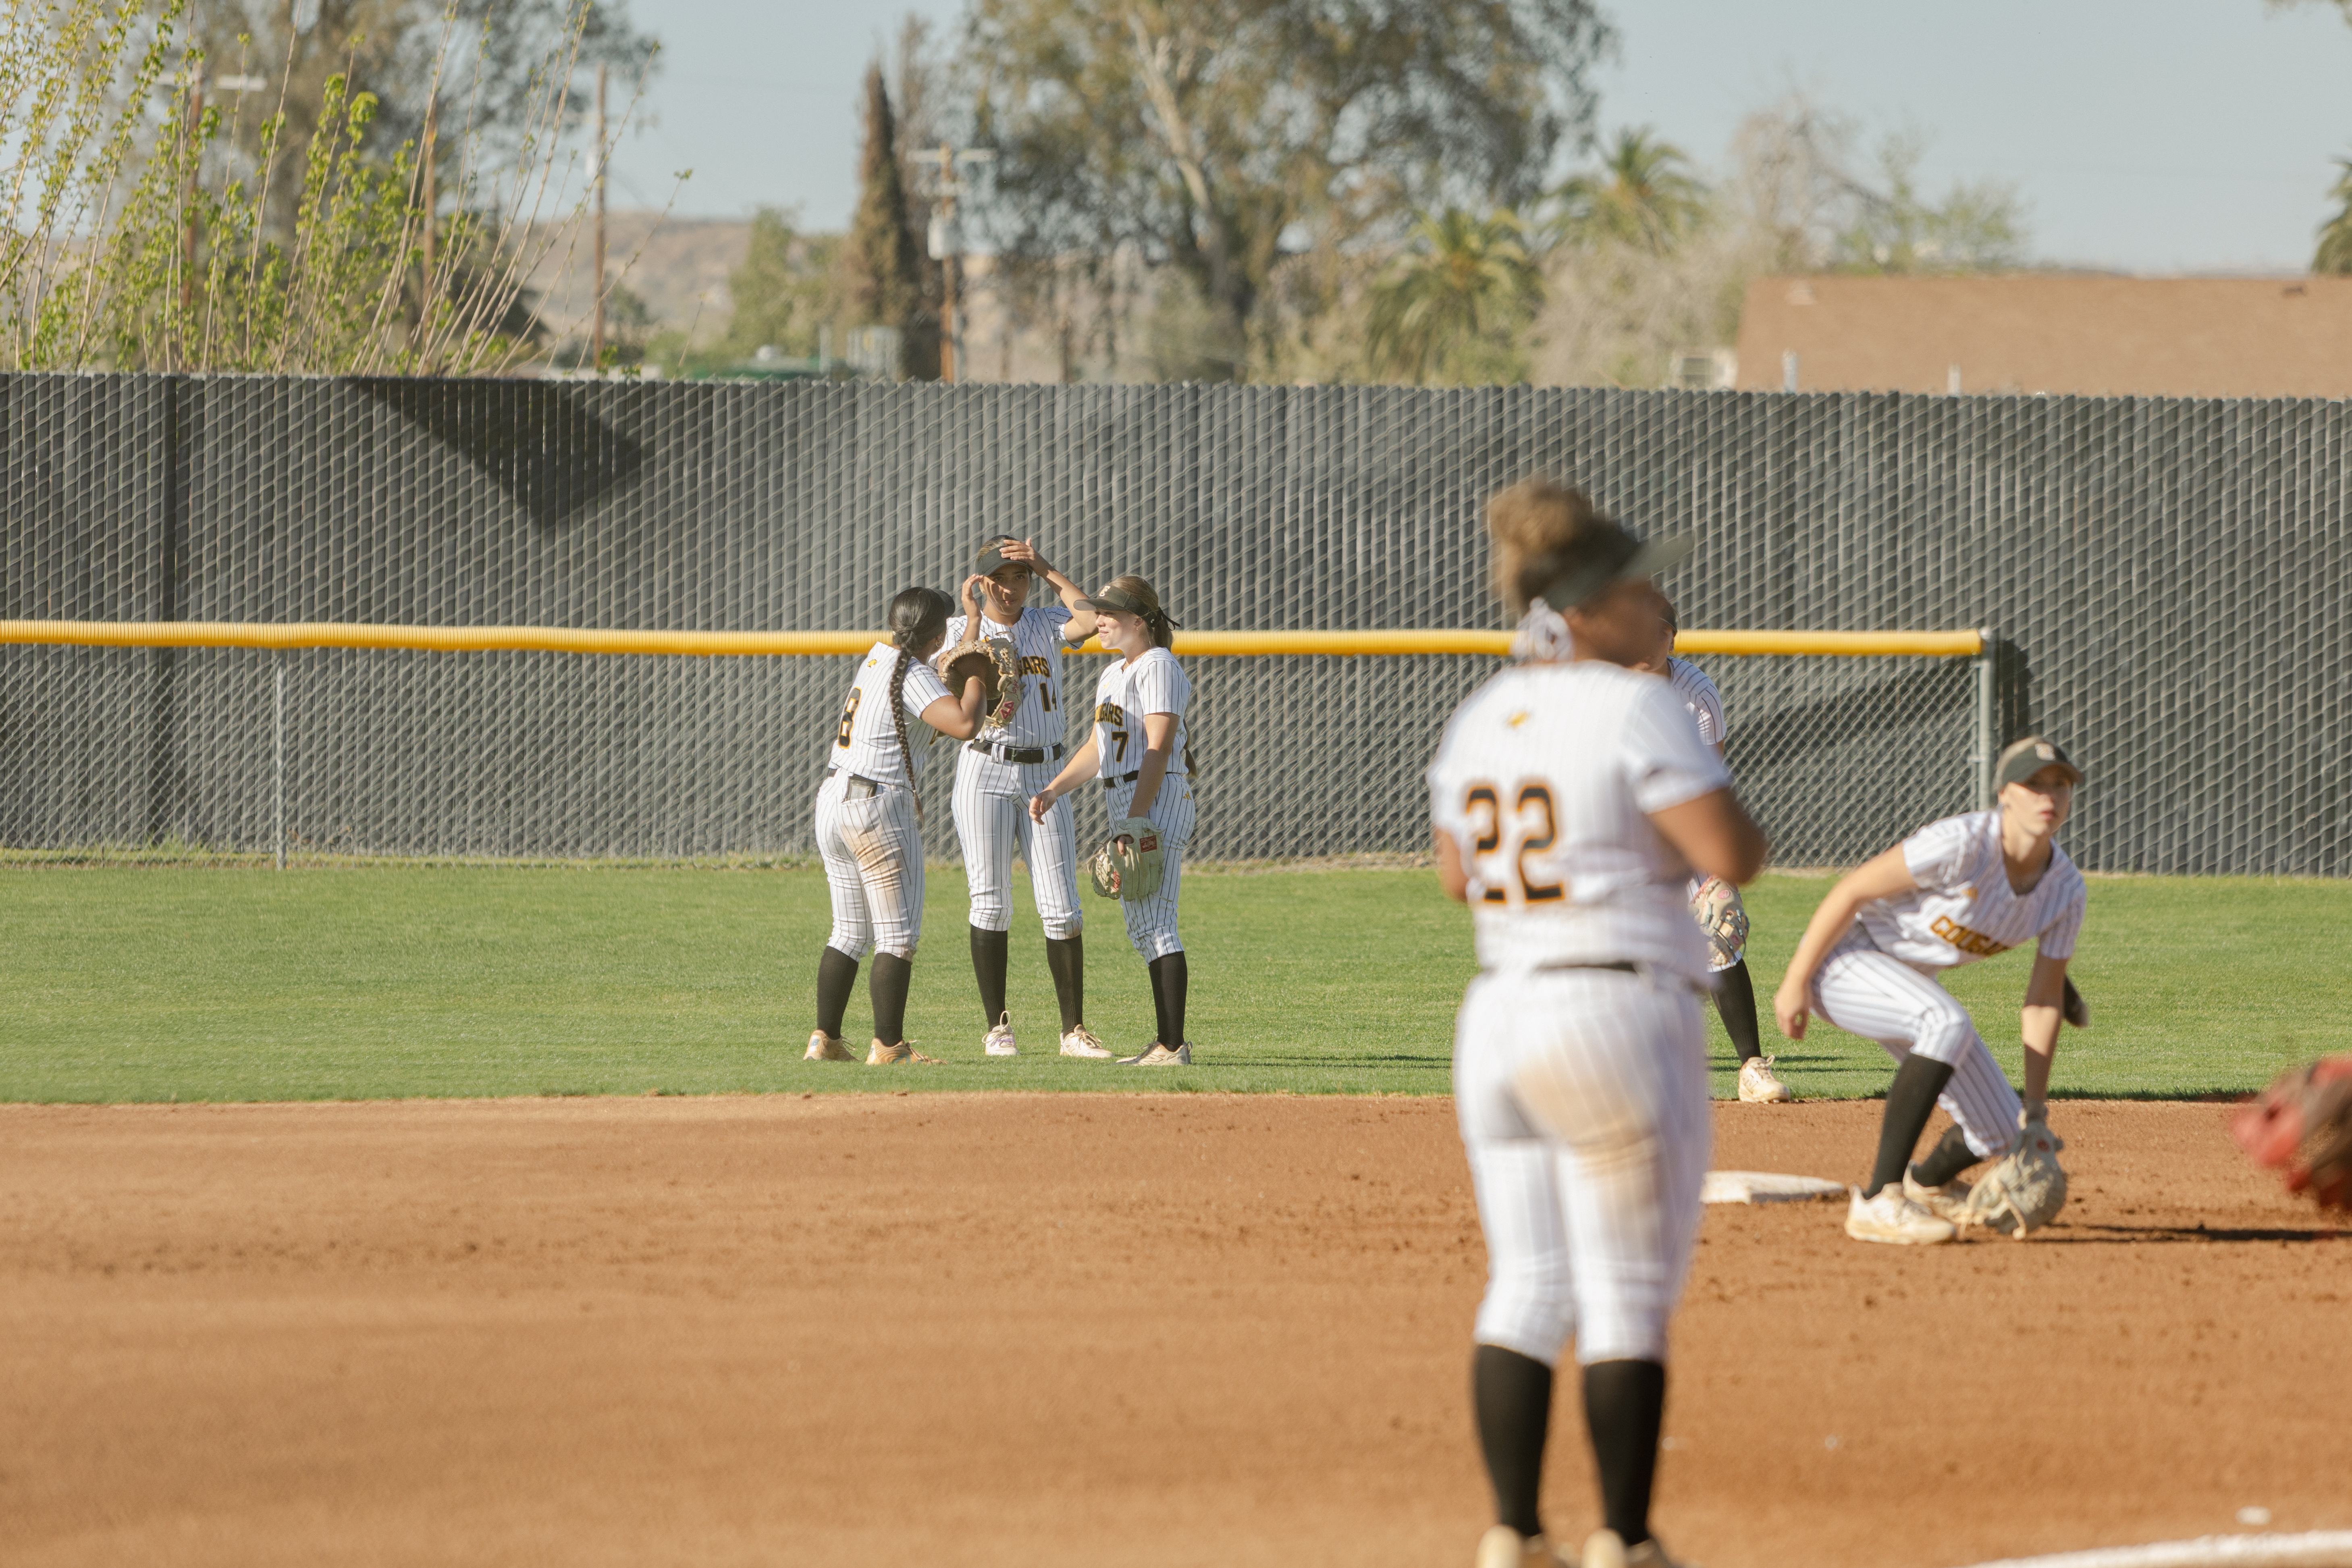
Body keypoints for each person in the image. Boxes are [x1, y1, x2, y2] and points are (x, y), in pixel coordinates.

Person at [1430, 479, 1767, 1568]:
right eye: (1635, 588)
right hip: (1615, 1012)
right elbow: (1733, 852)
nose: (1652, 603)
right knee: (1623, 1294)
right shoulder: (1639, 706)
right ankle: (1622, 1538)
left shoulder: (1483, 713)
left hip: (1498, 1015)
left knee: (1526, 1283)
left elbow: (1454, 876)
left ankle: (1512, 1532)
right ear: (1582, 604)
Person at [1772, 736, 2087, 1245]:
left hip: (1910, 987)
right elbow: (1853, 889)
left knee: (2003, 1131)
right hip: (1845, 962)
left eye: (2060, 785)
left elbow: (2044, 999)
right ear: (2004, 793)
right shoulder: (1964, 844)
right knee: (1944, 1022)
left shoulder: (2065, 891)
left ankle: (1929, 1184)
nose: (2048, 796)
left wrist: (2035, 1111)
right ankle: (1878, 1199)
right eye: (2033, 784)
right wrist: (1795, 980)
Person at [937, 537, 1113, 1059]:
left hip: (1047, 773)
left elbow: (1092, 620)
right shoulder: (961, 628)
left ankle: (1073, 1031)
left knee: (1063, 909)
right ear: (981, 582)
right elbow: (946, 680)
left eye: (1019, 577)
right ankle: (997, 1029)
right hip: (986, 769)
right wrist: (973, 621)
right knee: (990, 902)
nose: (1010, 588)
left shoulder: (1044, 622)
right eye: (999, 578)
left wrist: (1046, 567)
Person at [803, 588, 989, 1066]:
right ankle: (889, 1047)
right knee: (897, 937)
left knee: (849, 932)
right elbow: (965, 724)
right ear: (936, 636)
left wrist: (970, 626)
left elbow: (937, 677)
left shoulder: (881, 657)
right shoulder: (914, 675)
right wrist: (978, 673)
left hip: (835, 799)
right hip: (877, 810)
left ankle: (824, 1040)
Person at [1027, 575, 1195, 1066]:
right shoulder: (1113, 673)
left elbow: (1158, 747)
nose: (1098, 620)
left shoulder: (1158, 665)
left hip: (1155, 797)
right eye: (1097, 612)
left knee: (1157, 924)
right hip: (1127, 797)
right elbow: (1098, 749)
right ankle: (1167, 1043)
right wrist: (1054, 789)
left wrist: (1135, 820)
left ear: (1138, 621)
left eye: (1109, 613)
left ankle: (1172, 1045)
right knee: (1144, 927)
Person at [1633, 601, 1791, 1104]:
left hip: (1680, 824)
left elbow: (1704, 783)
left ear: (1672, 639)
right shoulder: (1603, 689)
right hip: (1619, 831)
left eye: (1659, 633)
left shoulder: (1695, 693)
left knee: (1718, 921)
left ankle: (1750, 1068)